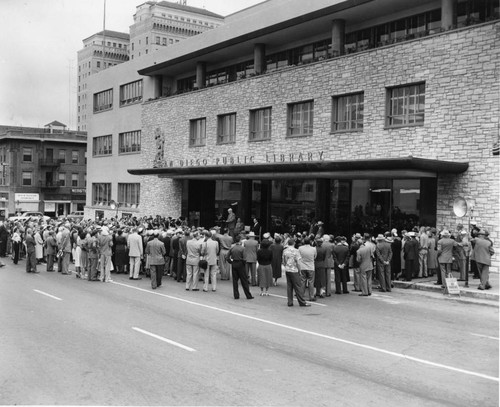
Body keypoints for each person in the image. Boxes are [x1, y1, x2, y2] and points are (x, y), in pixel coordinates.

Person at [282, 238, 309, 307]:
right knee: (298, 286)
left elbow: (284, 261)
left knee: (289, 286)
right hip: (294, 270)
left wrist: (286, 265)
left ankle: (290, 302)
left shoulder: (285, 250)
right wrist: (300, 270)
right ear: (294, 243)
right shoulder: (296, 251)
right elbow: (298, 262)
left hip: (288, 269)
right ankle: (302, 302)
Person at [227, 234, 254, 300]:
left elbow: (227, 257)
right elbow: (245, 258)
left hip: (234, 263)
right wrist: (243, 264)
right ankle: (248, 295)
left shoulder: (232, 248)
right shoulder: (242, 248)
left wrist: (231, 261)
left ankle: (236, 295)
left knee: (235, 281)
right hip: (240, 263)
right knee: (244, 280)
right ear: (240, 241)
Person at [298, 236, 317, 301]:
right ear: (310, 242)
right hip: (311, 267)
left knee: (302, 281)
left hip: (303, 266)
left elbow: (298, 256)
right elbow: (315, 256)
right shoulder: (313, 249)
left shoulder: (300, 248)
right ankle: (311, 296)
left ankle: (301, 295)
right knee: (311, 282)